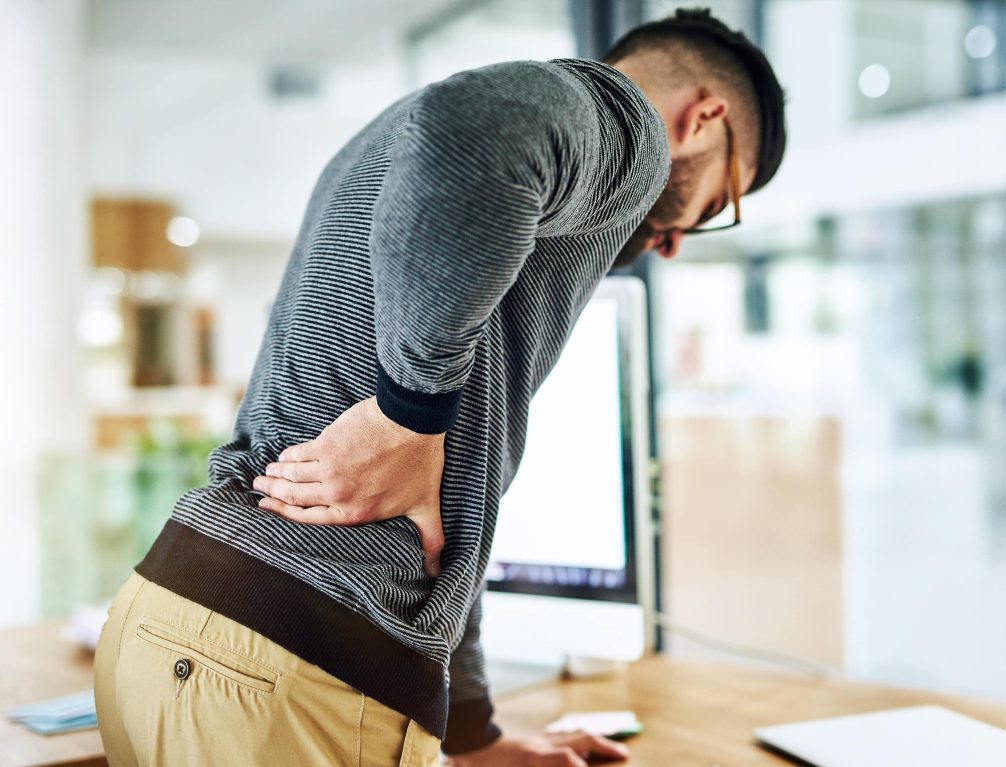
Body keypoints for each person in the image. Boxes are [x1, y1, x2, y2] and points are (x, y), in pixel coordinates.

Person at [94, 7, 786, 766]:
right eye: (719, 203)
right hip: (289, 666)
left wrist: (475, 736)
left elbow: (448, 522)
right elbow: (472, 129)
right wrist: (408, 417)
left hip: (164, 624)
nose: (679, 243)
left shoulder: (391, 146)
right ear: (702, 118)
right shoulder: (631, 130)